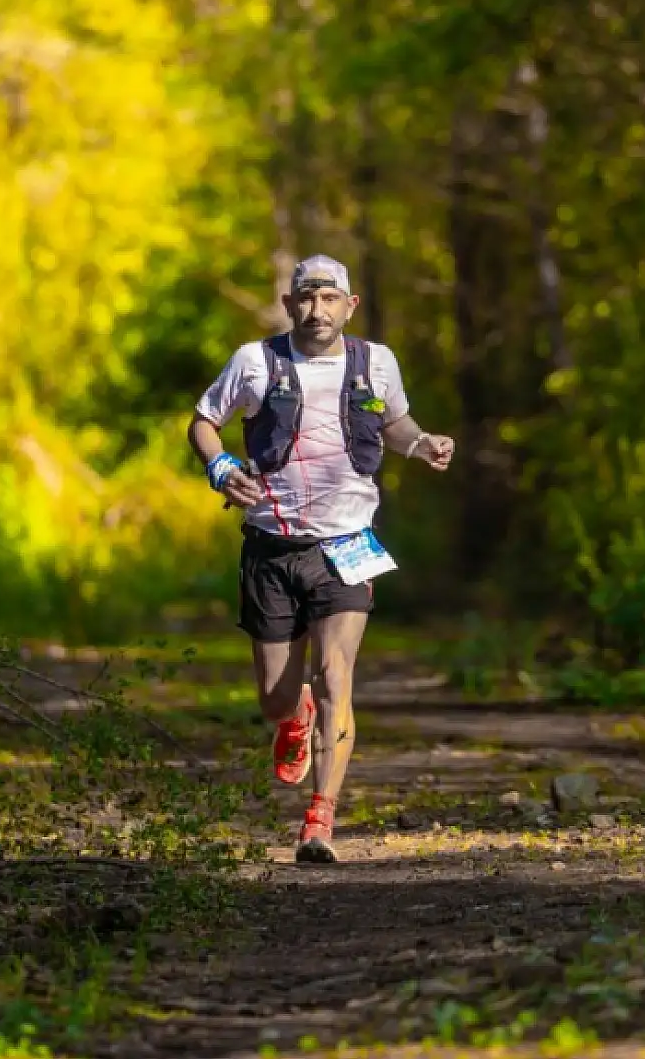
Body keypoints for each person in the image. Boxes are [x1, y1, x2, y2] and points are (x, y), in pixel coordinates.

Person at [187, 255, 455, 863]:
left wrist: (423, 444)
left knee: (336, 675)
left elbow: (397, 424)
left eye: (330, 299)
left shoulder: (375, 363)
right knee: (275, 698)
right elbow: (204, 422)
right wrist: (221, 465)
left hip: (346, 547)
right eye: (306, 300)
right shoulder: (256, 362)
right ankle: (295, 714)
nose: (317, 311)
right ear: (289, 304)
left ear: (349, 306)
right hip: (271, 547)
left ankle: (320, 820)